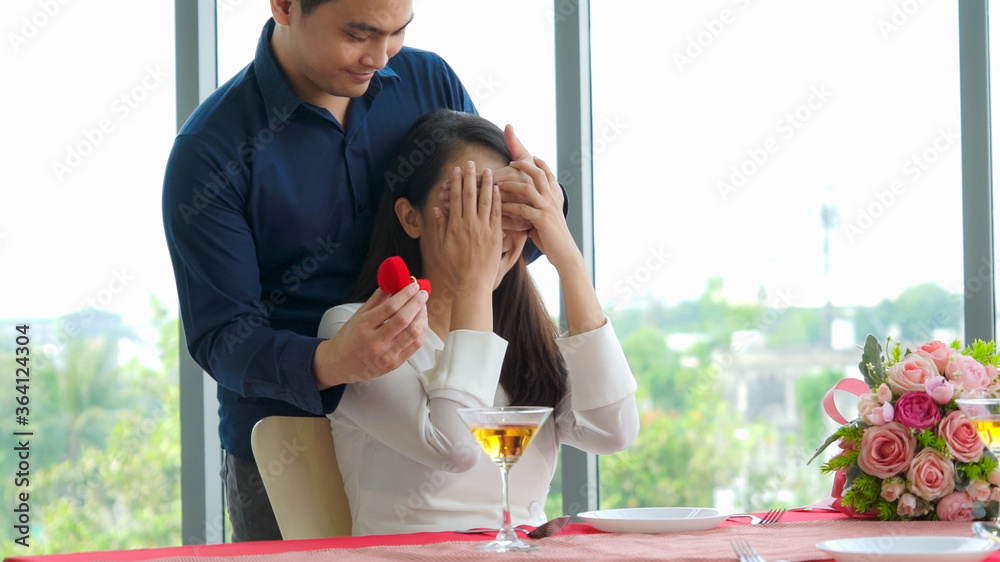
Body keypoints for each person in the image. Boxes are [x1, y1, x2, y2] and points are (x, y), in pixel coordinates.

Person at [161, 0, 543, 541]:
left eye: (397, 32)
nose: (380, 56)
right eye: (359, 34)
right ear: (285, 6)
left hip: (436, 412)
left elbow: (482, 235)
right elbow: (221, 338)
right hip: (291, 440)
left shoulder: (429, 80)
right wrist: (327, 363)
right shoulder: (212, 151)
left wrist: (540, 210)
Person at [318, 109, 639, 535]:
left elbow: (612, 431)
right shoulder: (358, 331)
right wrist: (474, 280)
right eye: (472, 204)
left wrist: (567, 256)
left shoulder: (523, 337)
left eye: (507, 205)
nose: (491, 228)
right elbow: (456, 447)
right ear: (411, 217)